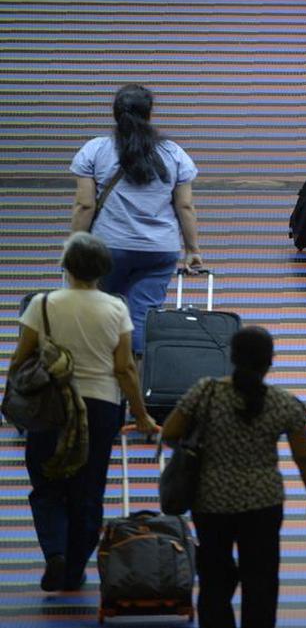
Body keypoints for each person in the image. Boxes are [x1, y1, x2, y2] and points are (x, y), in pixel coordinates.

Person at [5, 232, 159, 591]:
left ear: (66, 266)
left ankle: (55, 553)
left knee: (46, 484)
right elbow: (125, 369)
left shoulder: (42, 304)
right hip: (100, 406)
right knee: (88, 491)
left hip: (50, 404)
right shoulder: (116, 308)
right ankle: (74, 569)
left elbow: (19, 359)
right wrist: (140, 414)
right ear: (103, 269)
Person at [161, 326, 306, 628]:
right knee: (261, 581)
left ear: (232, 357)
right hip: (263, 503)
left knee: (214, 580)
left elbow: (169, 432)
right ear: (269, 361)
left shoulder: (205, 392)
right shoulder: (284, 403)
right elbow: (304, 457)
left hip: (211, 500)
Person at [69, 83, 202, 356]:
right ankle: (137, 376)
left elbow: (85, 205)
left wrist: (75, 246)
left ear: (115, 113)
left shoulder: (95, 150)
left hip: (108, 247)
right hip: (159, 249)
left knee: (101, 311)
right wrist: (192, 250)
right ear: (149, 114)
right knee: (142, 315)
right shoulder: (173, 153)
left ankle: (102, 373)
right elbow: (185, 206)